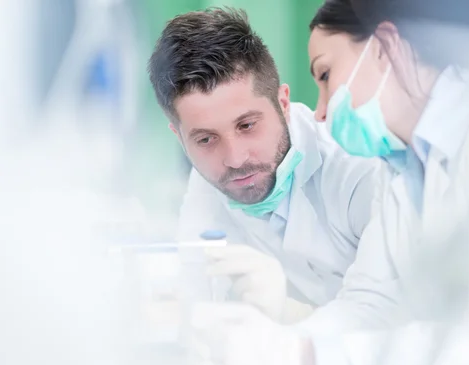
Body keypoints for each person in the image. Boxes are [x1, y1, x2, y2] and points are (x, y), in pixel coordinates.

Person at [187, 0, 469, 365]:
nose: (321, 110)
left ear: (384, 47)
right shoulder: (400, 169)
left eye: (326, 75)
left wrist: (303, 357)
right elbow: (371, 302)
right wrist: (274, 345)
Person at [147, 7, 389, 325]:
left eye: (247, 125)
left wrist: (288, 313)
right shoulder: (204, 185)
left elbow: (396, 321)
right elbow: (195, 297)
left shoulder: (358, 167)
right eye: (206, 140)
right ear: (180, 138)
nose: (234, 159)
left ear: (283, 103)